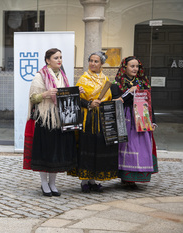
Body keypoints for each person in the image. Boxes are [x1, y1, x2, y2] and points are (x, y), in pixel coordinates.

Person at [26, 48, 82, 197]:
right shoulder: (40, 76)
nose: (59, 60)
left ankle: (53, 183)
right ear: (47, 60)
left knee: (56, 152)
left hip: (59, 119)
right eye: (56, 57)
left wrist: (76, 91)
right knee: (45, 152)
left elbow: (65, 95)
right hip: (45, 119)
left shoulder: (62, 76)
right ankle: (44, 184)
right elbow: (32, 98)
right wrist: (45, 94)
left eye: (61, 57)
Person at [68, 51, 119, 193]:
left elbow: (108, 98)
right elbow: (77, 98)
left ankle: (93, 180)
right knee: (87, 147)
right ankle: (85, 181)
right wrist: (89, 103)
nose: (92, 64)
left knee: (98, 148)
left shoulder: (105, 79)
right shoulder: (83, 79)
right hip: (88, 119)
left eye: (96, 61)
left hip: (101, 119)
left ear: (101, 64)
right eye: (91, 61)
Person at [111, 56, 158, 189]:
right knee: (127, 147)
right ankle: (126, 177)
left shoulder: (143, 83)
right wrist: (129, 92)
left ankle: (140, 175)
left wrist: (153, 121)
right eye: (132, 66)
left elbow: (149, 103)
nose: (135, 69)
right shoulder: (117, 83)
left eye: (137, 66)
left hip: (142, 118)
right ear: (125, 67)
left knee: (142, 147)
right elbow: (116, 101)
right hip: (126, 118)